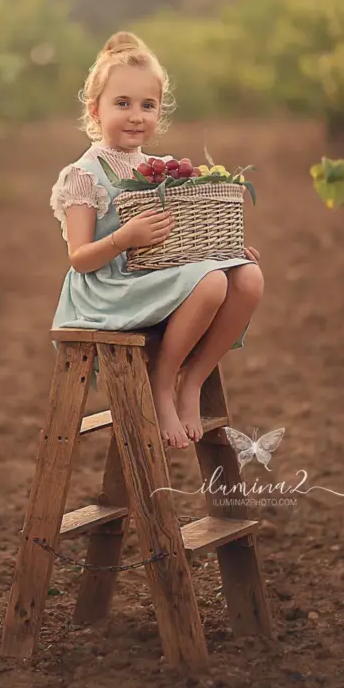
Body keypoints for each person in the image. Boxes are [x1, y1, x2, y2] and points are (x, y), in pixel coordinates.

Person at [49, 31, 265, 450]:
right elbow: (79, 259)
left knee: (249, 278)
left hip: (152, 274)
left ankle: (192, 380)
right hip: (107, 286)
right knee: (212, 282)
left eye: (147, 105)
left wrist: (225, 249)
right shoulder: (84, 174)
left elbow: (181, 233)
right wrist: (122, 238)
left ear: (160, 112)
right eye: (122, 104)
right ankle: (161, 386)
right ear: (95, 111)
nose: (136, 116)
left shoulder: (157, 168)